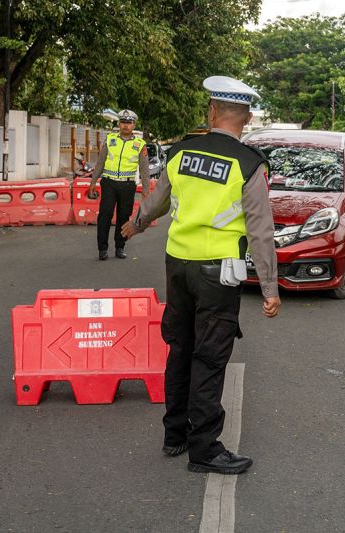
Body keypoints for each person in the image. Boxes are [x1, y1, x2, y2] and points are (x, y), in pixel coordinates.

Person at [121, 76, 281, 475]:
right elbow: (260, 231)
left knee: (180, 347)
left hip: (177, 265)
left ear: (211, 112)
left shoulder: (181, 151)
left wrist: (136, 224)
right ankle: (205, 448)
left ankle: (174, 434)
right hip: (218, 273)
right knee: (209, 358)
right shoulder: (249, 164)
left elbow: (157, 202)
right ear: (245, 118)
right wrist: (270, 288)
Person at [89, 109, 150, 260]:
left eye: (129, 123)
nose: (125, 126)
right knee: (105, 215)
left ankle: (120, 247)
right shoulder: (109, 140)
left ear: (134, 124)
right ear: (119, 123)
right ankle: (102, 249)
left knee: (124, 217)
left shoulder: (140, 144)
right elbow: (100, 163)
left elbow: (144, 169)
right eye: (123, 122)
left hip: (127, 186)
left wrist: (146, 190)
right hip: (109, 183)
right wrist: (93, 182)